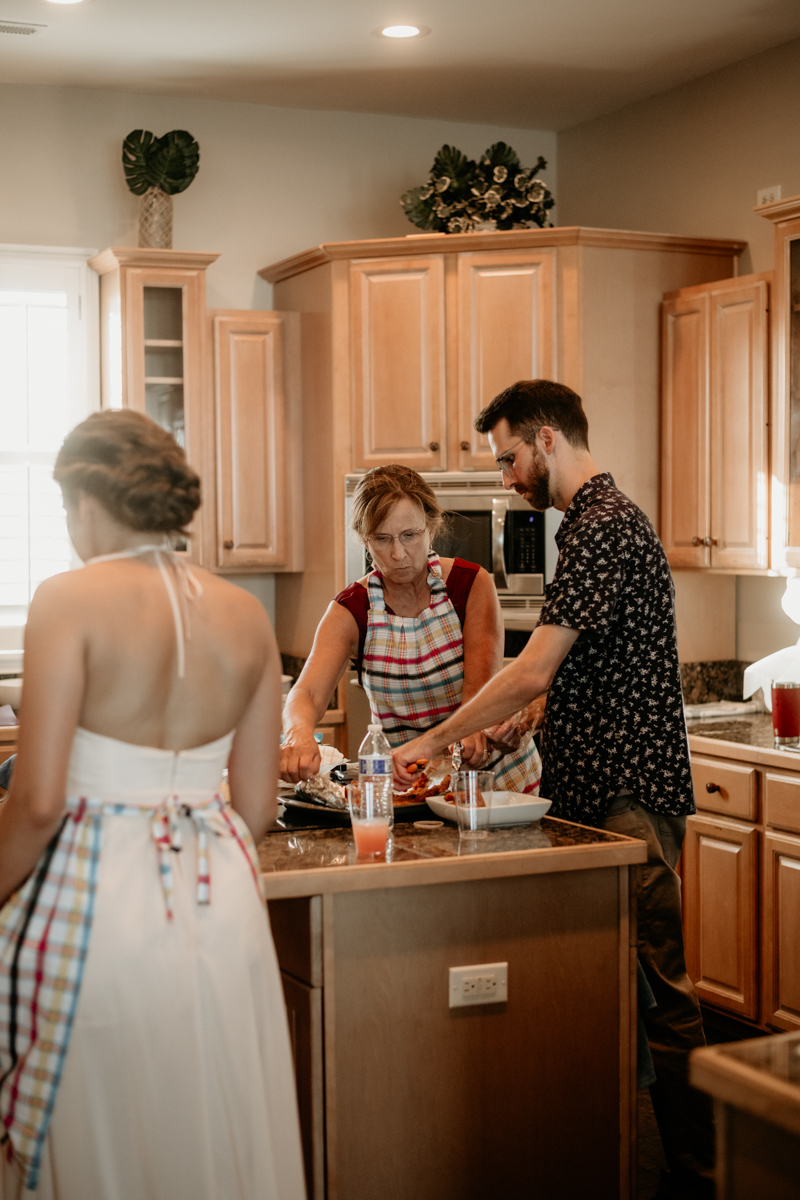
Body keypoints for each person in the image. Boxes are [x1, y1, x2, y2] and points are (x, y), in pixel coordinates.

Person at [393, 380, 714, 1200]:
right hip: (595, 784)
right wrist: (524, 720)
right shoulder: (589, 528)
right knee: (603, 982)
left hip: (628, 791)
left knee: (656, 983)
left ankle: (702, 1172)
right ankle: (612, 1151)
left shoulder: (603, 529)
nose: (505, 476)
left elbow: (534, 662)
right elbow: (571, 673)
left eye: (507, 458)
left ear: (545, 439)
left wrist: (430, 738)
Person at [0, 410, 306, 1200]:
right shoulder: (246, 614)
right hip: (223, 900)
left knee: (110, 1127)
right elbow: (257, 805)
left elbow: (35, 801)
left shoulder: (66, 600)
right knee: (213, 1111)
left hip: (101, 905)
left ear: (86, 500)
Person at [280, 464, 542, 791]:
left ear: (430, 529)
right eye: (382, 539)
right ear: (365, 540)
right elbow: (307, 693)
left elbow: (478, 701)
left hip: (499, 786)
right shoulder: (350, 610)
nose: (398, 553)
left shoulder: (471, 584)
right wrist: (298, 734)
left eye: (409, 536)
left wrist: (474, 733)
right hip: (412, 787)